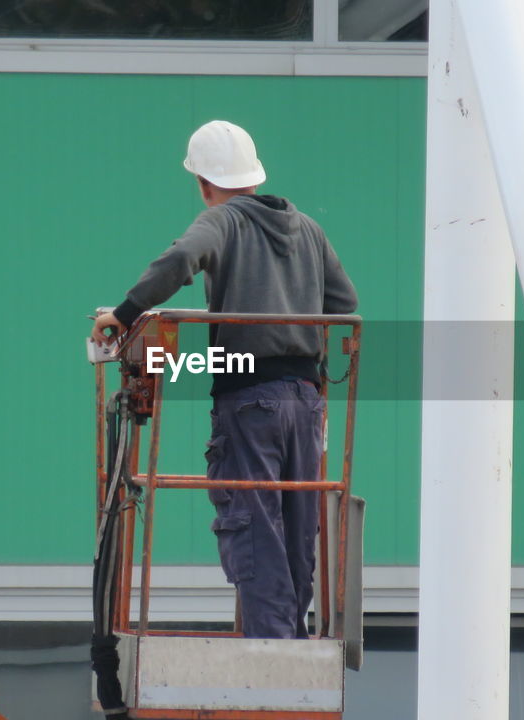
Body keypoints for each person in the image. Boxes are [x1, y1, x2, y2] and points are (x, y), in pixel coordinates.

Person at [90, 120, 358, 639]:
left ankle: (274, 649)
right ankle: (293, 638)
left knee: (254, 526)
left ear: (204, 183)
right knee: (299, 525)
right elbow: (345, 304)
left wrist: (124, 315)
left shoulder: (223, 221)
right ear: (254, 174)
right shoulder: (307, 229)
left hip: (249, 399)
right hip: (306, 403)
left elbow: (180, 259)